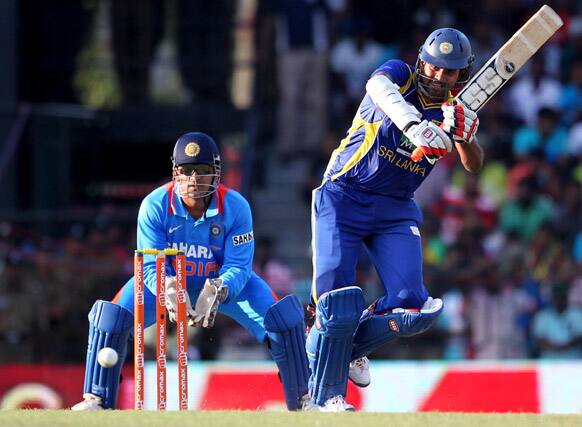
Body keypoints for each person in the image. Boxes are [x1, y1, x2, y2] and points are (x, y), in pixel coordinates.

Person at [306, 28, 484, 411]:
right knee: (335, 303)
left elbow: (474, 165)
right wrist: (413, 124)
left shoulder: (455, 113)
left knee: (415, 310)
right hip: (344, 195)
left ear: (461, 76)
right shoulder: (399, 75)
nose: (439, 77)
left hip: (395, 207)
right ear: (422, 62)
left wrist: (465, 137)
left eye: (449, 72)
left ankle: (349, 345)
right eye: (434, 67)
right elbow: (377, 88)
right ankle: (327, 397)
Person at [72, 132, 310, 411]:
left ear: (216, 173)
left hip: (224, 284)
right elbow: (150, 266)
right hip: (167, 282)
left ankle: (305, 399)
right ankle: (96, 398)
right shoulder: (155, 205)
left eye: (203, 171)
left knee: (283, 320)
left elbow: (240, 266)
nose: (194, 180)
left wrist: (220, 288)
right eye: (186, 171)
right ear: (176, 172)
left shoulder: (236, 207)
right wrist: (168, 288)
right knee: (109, 319)